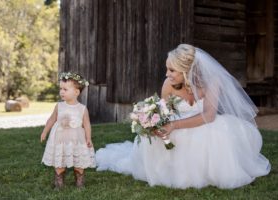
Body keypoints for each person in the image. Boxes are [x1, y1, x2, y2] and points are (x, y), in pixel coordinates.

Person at [95, 44, 271, 189]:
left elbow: (209, 115)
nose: (167, 74)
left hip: (204, 123)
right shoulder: (168, 85)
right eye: (167, 69)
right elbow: (164, 113)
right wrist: (154, 123)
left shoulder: (212, 81)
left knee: (219, 133)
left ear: (187, 70)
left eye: (172, 70)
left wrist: (175, 125)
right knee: (166, 139)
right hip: (176, 125)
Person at [41, 72, 95, 189]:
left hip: (77, 139)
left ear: (76, 92)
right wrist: (45, 131)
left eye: (65, 89)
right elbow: (51, 119)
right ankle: (59, 182)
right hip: (60, 139)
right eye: (60, 89)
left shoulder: (82, 109)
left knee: (79, 161)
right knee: (59, 161)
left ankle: (79, 181)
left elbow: (87, 124)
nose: (61, 92)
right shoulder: (59, 106)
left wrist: (88, 138)